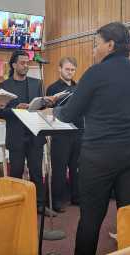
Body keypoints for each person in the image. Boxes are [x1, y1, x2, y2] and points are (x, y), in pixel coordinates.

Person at [53, 22, 130, 255]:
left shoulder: (95, 73)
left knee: (91, 219)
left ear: (110, 45)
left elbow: (68, 114)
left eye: (96, 44)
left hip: (101, 156)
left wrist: (54, 109)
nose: (93, 50)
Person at [0, 50, 45, 207]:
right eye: (23, 63)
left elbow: (42, 107)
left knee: (37, 173)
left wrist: (43, 105)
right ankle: (14, 206)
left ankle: (39, 205)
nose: (26, 66)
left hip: (34, 135)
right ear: (14, 65)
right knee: (16, 173)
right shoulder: (3, 86)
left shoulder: (36, 83)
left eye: (27, 63)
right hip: (16, 136)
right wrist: (16, 109)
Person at [45, 57, 82, 212]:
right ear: (59, 69)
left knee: (77, 168)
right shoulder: (52, 88)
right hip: (60, 133)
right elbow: (49, 109)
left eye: (73, 69)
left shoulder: (79, 87)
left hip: (78, 131)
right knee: (59, 169)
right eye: (67, 69)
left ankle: (76, 197)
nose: (70, 72)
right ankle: (57, 201)